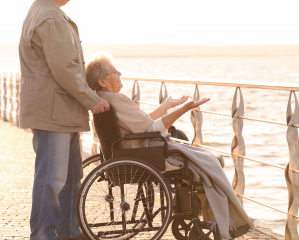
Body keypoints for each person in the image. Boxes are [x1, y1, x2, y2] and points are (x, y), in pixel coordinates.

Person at [85, 55, 254, 240]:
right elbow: (151, 128)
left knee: (203, 160)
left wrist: (166, 106)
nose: (120, 74)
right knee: (208, 161)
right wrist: (184, 109)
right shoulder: (117, 99)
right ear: (102, 81)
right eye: (114, 71)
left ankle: (210, 214)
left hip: (128, 151)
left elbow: (143, 123)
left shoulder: (103, 99)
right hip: (142, 155)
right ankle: (229, 220)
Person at [19, 0, 110, 239]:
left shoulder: (47, 14)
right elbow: (65, 69)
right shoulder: (49, 18)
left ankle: (69, 231)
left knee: (70, 178)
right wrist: (92, 99)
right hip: (54, 112)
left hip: (61, 111)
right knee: (52, 179)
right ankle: (43, 235)